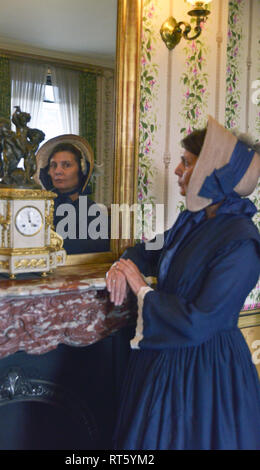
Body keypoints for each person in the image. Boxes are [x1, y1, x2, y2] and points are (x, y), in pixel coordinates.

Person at [106, 115, 260, 450]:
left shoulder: (242, 240)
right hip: (165, 360)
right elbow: (148, 249)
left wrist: (141, 288)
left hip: (207, 372)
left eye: (187, 163)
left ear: (215, 174)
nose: (177, 170)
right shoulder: (193, 219)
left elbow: (201, 320)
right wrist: (123, 265)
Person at [36, 134, 109, 254]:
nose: (58, 171)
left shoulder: (92, 213)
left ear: (81, 170)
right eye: (53, 165)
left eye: (67, 165)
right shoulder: (39, 208)